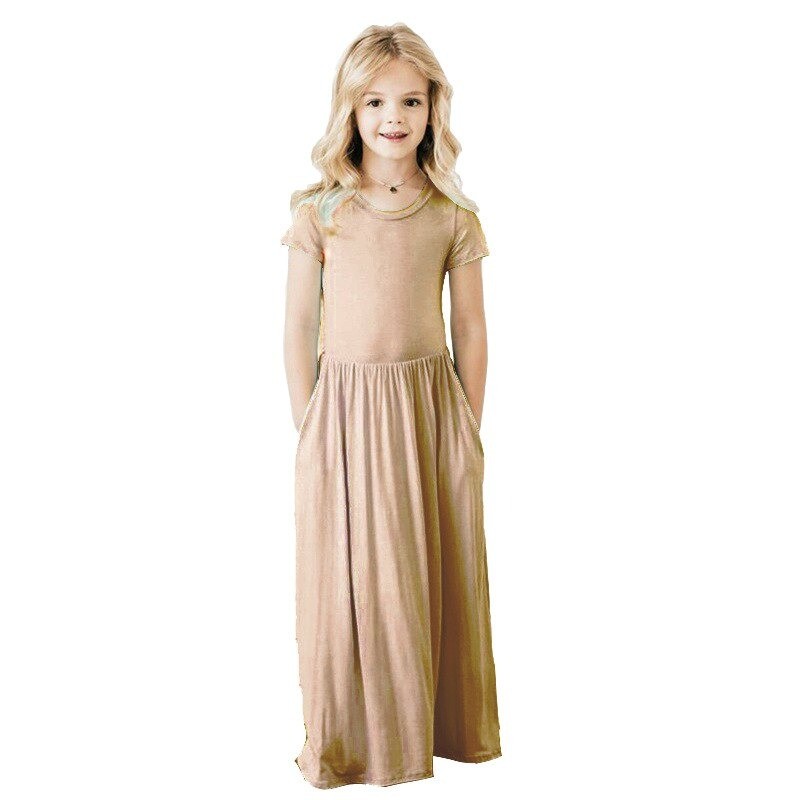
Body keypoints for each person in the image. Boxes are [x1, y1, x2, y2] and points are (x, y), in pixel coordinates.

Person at [280, 23, 501, 789]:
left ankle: (424, 738)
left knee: (426, 577)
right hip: (343, 416)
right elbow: (298, 325)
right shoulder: (321, 213)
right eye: (375, 101)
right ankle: (349, 744)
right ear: (350, 108)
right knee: (346, 587)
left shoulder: (452, 215)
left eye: (410, 100)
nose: (393, 117)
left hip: (427, 415)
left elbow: (470, 327)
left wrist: (465, 426)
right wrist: (311, 425)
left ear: (434, 108)